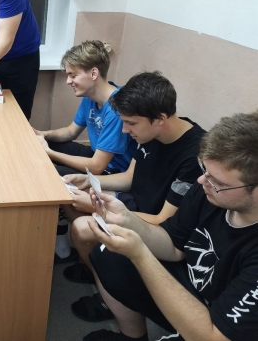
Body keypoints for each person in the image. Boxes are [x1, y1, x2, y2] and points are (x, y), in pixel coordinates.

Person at [81, 110, 258, 341]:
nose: (202, 180)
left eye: (217, 181)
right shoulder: (207, 191)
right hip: (197, 286)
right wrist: (127, 219)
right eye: (204, 170)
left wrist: (141, 255)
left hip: (220, 326)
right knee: (110, 255)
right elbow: (174, 245)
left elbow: (213, 337)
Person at [64, 71, 206, 322]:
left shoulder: (193, 156)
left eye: (131, 123)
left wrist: (100, 210)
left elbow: (162, 220)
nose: (125, 129)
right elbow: (130, 178)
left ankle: (114, 298)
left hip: (157, 224)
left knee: (82, 228)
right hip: (135, 203)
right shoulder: (151, 132)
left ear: (160, 118)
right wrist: (88, 180)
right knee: (72, 196)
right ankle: (101, 278)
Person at [33, 41, 135, 263]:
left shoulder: (116, 108)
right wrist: (41, 135)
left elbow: (97, 166)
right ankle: (63, 226)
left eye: (73, 75)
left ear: (94, 73)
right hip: (98, 157)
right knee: (45, 150)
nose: (68, 81)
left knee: (53, 174)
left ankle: (71, 240)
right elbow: (70, 131)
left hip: (112, 172)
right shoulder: (91, 98)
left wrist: (49, 153)